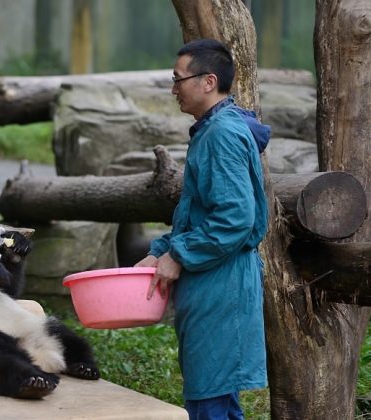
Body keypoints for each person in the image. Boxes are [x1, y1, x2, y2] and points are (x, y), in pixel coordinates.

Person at [135, 39, 270, 420]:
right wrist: (161, 249)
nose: (173, 88)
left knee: (210, 403)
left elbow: (234, 218)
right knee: (215, 400)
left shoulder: (222, 135)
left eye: (179, 79)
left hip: (221, 283)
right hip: (213, 280)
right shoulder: (212, 129)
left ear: (208, 81)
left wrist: (179, 254)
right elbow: (198, 213)